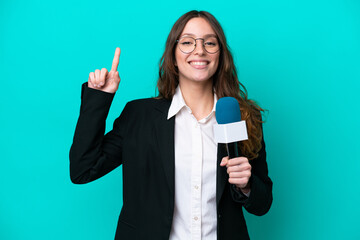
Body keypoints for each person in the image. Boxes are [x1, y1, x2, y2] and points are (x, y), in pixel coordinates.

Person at [70, 10, 273, 240]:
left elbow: (263, 203)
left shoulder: (242, 117)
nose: (199, 50)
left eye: (209, 42)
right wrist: (98, 98)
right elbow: (83, 169)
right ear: (173, 55)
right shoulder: (139, 116)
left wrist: (247, 185)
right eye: (187, 42)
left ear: (221, 55)